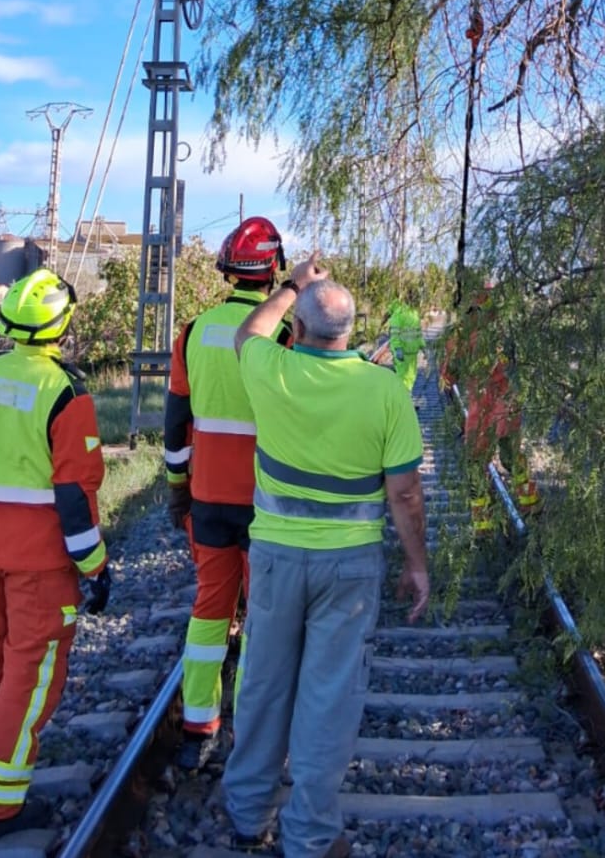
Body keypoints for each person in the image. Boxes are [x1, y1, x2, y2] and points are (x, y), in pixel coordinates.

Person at [222, 257, 429, 858]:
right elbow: (405, 492)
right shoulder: (383, 388)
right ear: (349, 332)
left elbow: (248, 333)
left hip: (278, 560)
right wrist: (417, 563)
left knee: (262, 683)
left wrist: (293, 286)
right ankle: (310, 835)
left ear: (303, 331)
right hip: (349, 569)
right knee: (328, 696)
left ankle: (247, 815)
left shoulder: (271, 369)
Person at [0, 268, 112, 846]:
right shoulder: (65, 392)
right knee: (29, 673)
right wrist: (95, 568)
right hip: (38, 564)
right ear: (62, 325)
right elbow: (73, 495)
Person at [163, 215, 289, 770]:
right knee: (263, 611)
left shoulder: (193, 332)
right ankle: (255, 729)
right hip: (268, 498)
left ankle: (199, 725)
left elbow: (175, 420)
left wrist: (176, 490)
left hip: (209, 496)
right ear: (273, 272)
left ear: (227, 272)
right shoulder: (285, 333)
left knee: (210, 608)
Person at [451, 285, 539, 527]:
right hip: (510, 409)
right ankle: (530, 504)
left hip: (483, 415)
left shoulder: (463, 334)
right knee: (513, 458)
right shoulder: (505, 331)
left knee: (476, 465)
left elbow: (449, 374)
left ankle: (483, 526)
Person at [384, 298, 423, 395]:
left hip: (407, 352)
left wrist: (397, 348)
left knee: (407, 376)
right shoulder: (411, 312)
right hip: (408, 351)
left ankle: (405, 398)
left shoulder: (401, 314)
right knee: (406, 376)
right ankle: (403, 398)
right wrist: (422, 345)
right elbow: (396, 334)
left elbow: (395, 335)